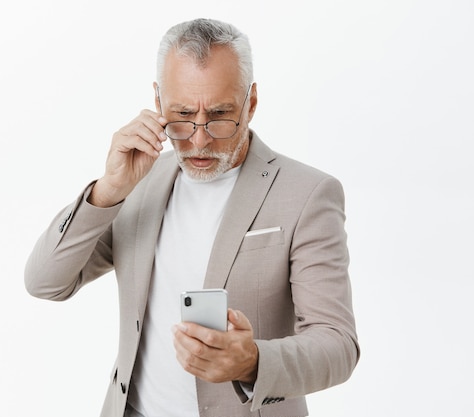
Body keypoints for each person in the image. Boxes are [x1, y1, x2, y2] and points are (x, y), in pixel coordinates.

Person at [25, 18, 359, 417]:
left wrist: (252, 361)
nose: (199, 139)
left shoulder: (306, 193)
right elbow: (45, 282)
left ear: (250, 103)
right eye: (182, 114)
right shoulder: (139, 183)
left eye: (220, 114)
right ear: (158, 101)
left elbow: (337, 344)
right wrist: (107, 191)